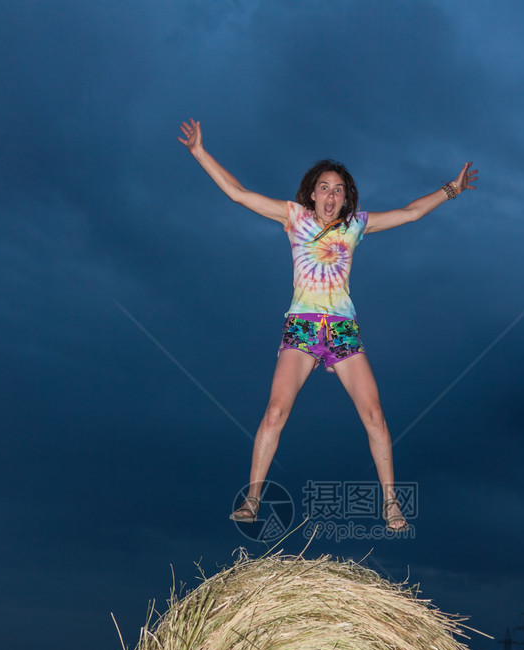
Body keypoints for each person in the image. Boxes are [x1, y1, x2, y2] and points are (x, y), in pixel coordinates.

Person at [177, 119, 477, 531]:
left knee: (374, 414)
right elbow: (239, 194)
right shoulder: (294, 217)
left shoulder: (355, 225)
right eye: (324, 187)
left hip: (342, 331)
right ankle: (251, 500)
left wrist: (452, 189)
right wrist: (199, 153)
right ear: (312, 194)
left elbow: (409, 214)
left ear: (345, 197)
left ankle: (391, 504)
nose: (331, 194)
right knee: (276, 411)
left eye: (338, 189)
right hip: (301, 327)